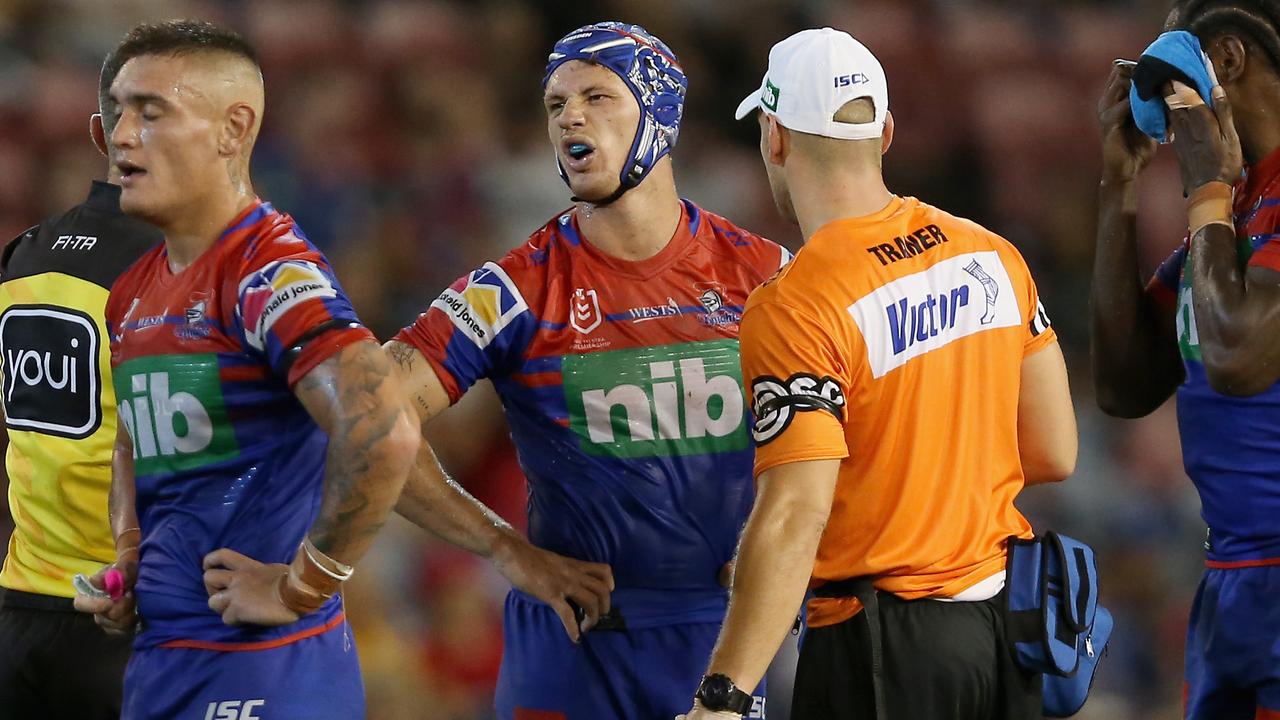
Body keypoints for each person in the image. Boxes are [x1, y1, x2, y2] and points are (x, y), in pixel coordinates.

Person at [384, 21, 790, 720]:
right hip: (569, 642)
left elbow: (865, 423)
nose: (570, 114)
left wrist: (805, 544)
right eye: (556, 103)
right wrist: (500, 545)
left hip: (724, 634)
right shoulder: (513, 289)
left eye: (599, 96)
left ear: (660, 115)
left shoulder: (767, 276)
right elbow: (370, 417)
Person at [680, 28, 1077, 720]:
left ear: (774, 137)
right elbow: (1054, 450)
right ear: (885, 131)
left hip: (882, 650)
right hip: (1009, 640)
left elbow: (795, 514)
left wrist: (725, 696)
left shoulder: (797, 303)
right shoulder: (992, 253)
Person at [71, 20, 418, 719]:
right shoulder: (132, 291)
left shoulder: (268, 272)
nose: (122, 136)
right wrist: (133, 554)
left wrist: (303, 584)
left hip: (263, 668)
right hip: (162, 660)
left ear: (233, 129)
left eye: (151, 111)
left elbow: (384, 429)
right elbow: (136, 437)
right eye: (116, 112)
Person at [1093, 3, 1280, 717]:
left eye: (1175, 52)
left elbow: (1237, 358)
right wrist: (1119, 187)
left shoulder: (1227, 207)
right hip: (1231, 579)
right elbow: (1126, 383)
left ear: (1226, 60)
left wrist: (1206, 191)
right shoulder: (1236, 206)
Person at [0, 51, 161, 719]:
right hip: (123, 618)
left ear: (102, 134)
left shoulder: (22, 255)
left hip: (18, 613)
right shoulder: (174, 270)